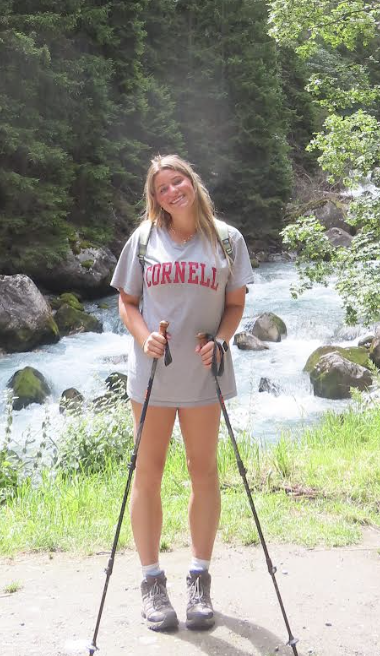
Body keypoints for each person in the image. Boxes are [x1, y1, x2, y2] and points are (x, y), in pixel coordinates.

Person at [111, 153, 254, 633]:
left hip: (203, 372)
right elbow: (127, 301)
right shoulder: (144, 239)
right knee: (147, 473)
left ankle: (199, 579)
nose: (173, 191)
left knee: (203, 472)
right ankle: (151, 582)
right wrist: (143, 335)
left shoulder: (228, 240)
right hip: (151, 376)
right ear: (155, 199)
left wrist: (222, 340)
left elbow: (234, 304)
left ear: (192, 183)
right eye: (162, 188)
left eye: (179, 182)